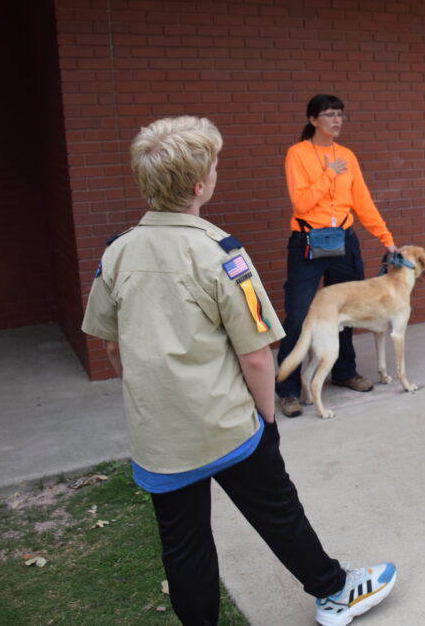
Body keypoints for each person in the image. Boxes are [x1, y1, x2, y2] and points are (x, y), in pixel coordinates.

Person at [81, 116, 396, 626]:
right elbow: (256, 354)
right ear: (200, 185)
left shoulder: (117, 252)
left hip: (159, 434)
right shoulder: (220, 253)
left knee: (183, 545)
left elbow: (110, 341)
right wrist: (267, 419)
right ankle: (335, 591)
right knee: (277, 510)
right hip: (228, 425)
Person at [276, 94, 397, 418]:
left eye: (341, 114)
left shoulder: (347, 156)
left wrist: (386, 239)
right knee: (299, 314)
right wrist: (329, 174)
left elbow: (363, 203)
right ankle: (287, 390)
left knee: (348, 310)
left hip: (343, 239)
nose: (337, 120)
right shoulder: (297, 154)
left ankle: (344, 371)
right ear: (313, 120)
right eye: (329, 115)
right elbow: (301, 203)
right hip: (307, 241)